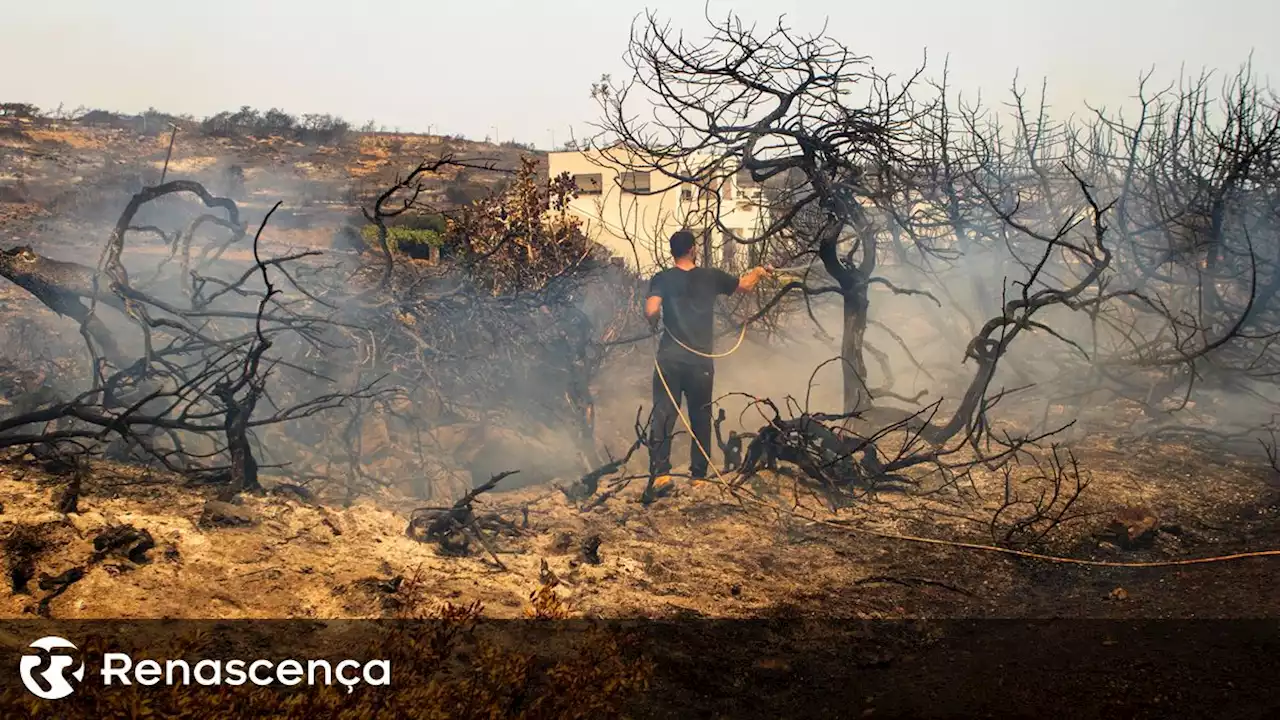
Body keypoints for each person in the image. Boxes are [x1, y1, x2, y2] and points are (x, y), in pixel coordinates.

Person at [643, 229, 771, 501]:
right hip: (700, 360)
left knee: (664, 414)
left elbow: (652, 309)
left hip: (669, 358)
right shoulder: (711, 277)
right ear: (693, 249)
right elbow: (745, 286)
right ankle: (698, 476)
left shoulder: (662, 278)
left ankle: (661, 474)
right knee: (700, 416)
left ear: (672, 251)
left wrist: (653, 322)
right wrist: (759, 272)